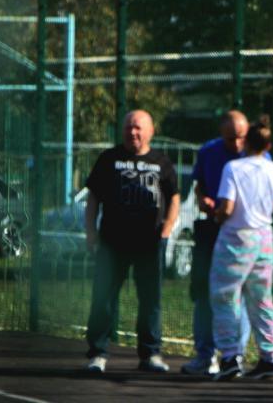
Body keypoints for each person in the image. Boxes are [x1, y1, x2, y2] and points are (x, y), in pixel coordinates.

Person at [84, 109, 181, 373]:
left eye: (138, 127)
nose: (133, 132)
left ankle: (151, 354)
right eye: (128, 127)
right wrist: (91, 232)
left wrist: (167, 228)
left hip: (148, 243)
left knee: (150, 299)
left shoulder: (161, 162)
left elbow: (174, 197)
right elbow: (93, 198)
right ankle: (98, 354)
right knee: (103, 297)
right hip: (112, 242)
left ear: (150, 131)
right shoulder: (109, 159)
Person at [209, 120, 273, 380]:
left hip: (236, 236)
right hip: (264, 238)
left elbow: (228, 207)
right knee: (262, 298)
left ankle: (230, 356)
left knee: (225, 295)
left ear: (246, 142)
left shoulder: (233, 167)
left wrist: (216, 214)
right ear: (268, 145)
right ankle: (270, 357)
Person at [180, 110, 251, 376]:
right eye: (231, 138)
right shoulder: (209, 151)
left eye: (241, 137)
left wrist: (228, 210)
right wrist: (203, 200)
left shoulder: (254, 155)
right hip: (211, 229)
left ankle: (234, 356)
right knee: (203, 291)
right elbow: (199, 185)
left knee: (238, 293)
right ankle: (205, 355)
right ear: (221, 134)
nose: (237, 144)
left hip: (239, 233)